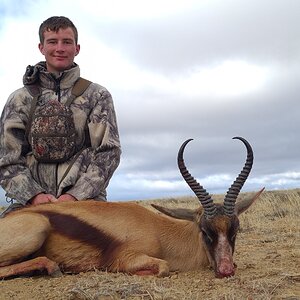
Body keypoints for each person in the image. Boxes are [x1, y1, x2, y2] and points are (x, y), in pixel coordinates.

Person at [0, 16, 121, 217]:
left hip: (86, 203)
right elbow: (6, 158)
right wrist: (34, 196)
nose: (60, 48)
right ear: (41, 47)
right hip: (30, 205)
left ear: (77, 48)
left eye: (67, 42)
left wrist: (74, 196)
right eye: (52, 42)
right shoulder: (19, 99)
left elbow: (108, 153)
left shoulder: (97, 95)